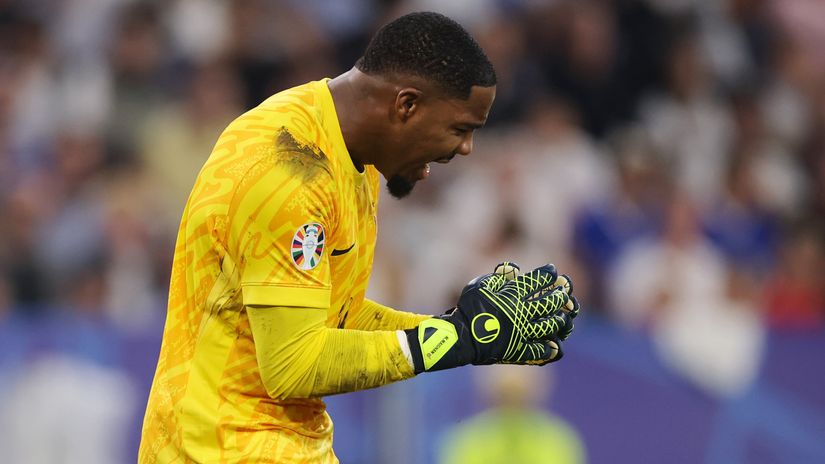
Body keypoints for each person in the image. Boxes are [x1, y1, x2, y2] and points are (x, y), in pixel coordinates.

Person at [139, 12, 579, 464]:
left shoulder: (351, 152)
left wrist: (458, 332)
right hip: (218, 450)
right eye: (460, 128)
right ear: (406, 105)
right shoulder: (289, 169)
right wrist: (454, 340)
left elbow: (335, 319)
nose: (466, 148)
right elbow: (294, 364)